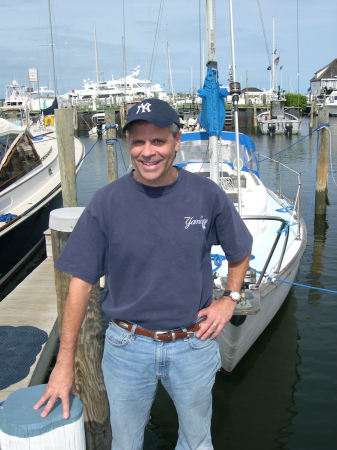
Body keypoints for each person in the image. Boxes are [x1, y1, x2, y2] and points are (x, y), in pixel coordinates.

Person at [34, 98, 252, 450]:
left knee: (196, 442)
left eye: (158, 141)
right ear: (128, 145)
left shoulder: (206, 195)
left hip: (193, 343)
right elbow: (80, 283)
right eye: (138, 142)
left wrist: (230, 299)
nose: (148, 152)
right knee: (125, 443)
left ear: (176, 141)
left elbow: (240, 251)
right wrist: (63, 364)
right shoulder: (106, 203)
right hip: (126, 346)